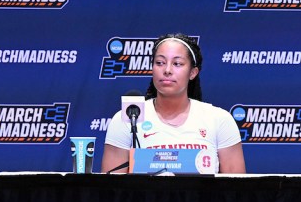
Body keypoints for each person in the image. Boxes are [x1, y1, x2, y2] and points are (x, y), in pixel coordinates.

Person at [101, 33, 246, 174]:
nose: (167, 70)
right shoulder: (127, 118)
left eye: (177, 63)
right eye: (160, 63)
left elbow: (236, 191)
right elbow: (111, 190)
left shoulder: (219, 119)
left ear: (193, 73)